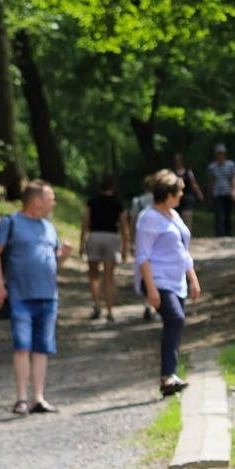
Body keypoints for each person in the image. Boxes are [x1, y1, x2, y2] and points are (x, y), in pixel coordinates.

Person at [0, 180, 71, 415]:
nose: (54, 202)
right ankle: (22, 398)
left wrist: (64, 256)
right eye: (50, 198)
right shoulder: (11, 222)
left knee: (42, 348)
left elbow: (53, 260)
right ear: (36, 201)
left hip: (48, 296)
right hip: (20, 296)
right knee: (22, 346)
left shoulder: (49, 226)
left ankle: (38, 398)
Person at [135, 169, 201, 397]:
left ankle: (170, 376)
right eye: (179, 191)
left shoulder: (174, 215)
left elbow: (183, 250)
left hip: (176, 280)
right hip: (158, 279)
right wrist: (151, 289)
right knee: (175, 318)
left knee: (176, 324)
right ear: (167, 194)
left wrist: (193, 278)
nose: (182, 195)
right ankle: (167, 376)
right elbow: (142, 256)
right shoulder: (148, 219)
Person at [81, 176, 129, 321]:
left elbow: (85, 222)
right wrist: (125, 247)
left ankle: (96, 305)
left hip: (95, 236)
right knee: (109, 277)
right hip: (112, 238)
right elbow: (124, 226)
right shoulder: (118, 203)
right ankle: (110, 311)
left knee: (93, 275)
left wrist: (82, 242)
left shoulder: (92, 201)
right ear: (113, 187)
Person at [129, 174, 155, 321]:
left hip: (142, 241)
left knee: (144, 272)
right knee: (156, 272)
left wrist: (131, 242)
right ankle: (153, 302)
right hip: (156, 242)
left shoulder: (137, 201)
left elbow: (133, 222)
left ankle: (147, 302)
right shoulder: (159, 200)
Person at [207, 144, 235, 239]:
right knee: (219, 215)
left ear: (225, 154)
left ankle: (229, 234)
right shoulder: (212, 166)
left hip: (228, 192)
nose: (220, 155)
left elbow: (234, 178)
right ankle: (219, 235)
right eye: (218, 153)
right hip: (217, 193)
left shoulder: (231, 165)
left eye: (222, 153)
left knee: (228, 214)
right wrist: (210, 193)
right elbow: (211, 181)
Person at [170, 152, 203, 228]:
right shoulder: (172, 173)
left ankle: (187, 231)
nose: (177, 162)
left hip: (187, 196)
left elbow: (194, 183)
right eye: (176, 160)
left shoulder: (188, 172)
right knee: (175, 217)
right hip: (176, 197)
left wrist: (199, 193)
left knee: (187, 215)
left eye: (178, 160)